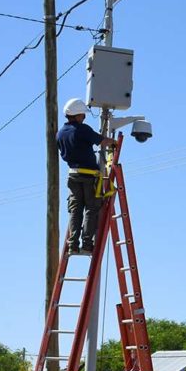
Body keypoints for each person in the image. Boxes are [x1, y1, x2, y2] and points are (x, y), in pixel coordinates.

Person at [57, 98, 115, 254]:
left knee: (75, 211)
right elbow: (102, 141)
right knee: (91, 208)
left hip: (73, 176)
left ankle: (72, 245)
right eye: (82, 114)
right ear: (77, 115)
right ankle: (87, 243)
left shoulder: (60, 133)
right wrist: (114, 143)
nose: (84, 117)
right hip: (89, 176)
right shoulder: (82, 130)